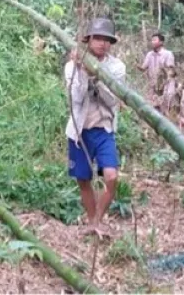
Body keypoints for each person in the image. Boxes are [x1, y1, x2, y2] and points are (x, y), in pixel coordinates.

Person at [64, 18, 126, 238]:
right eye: (97, 38)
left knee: (111, 177)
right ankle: (92, 222)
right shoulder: (72, 65)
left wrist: (97, 77)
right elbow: (77, 98)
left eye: (106, 39)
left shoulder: (116, 67)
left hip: (103, 128)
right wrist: (82, 71)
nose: (102, 43)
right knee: (83, 179)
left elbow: (112, 100)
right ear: (88, 40)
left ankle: (98, 219)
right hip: (79, 131)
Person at [136, 33, 175, 111]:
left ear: (161, 42)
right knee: (153, 108)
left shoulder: (168, 54)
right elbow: (143, 68)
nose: (152, 42)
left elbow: (170, 71)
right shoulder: (150, 54)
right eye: (152, 40)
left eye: (154, 40)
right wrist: (136, 64)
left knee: (165, 108)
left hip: (165, 86)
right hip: (153, 86)